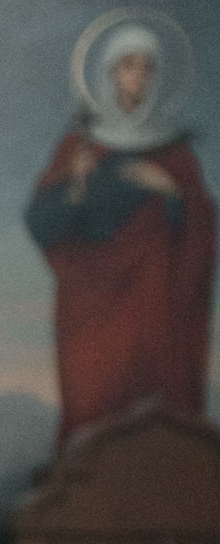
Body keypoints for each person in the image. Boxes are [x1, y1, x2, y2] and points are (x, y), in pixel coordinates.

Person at [26, 18, 216, 447]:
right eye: (129, 66)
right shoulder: (78, 148)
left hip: (156, 304)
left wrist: (170, 192)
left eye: (146, 68)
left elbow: (201, 226)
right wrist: (77, 187)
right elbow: (43, 224)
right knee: (96, 409)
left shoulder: (175, 154)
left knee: (155, 422)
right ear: (110, 72)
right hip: (92, 303)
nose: (138, 77)